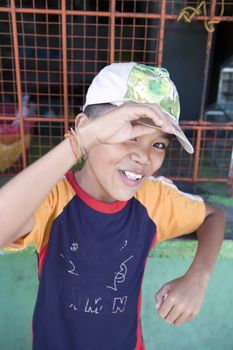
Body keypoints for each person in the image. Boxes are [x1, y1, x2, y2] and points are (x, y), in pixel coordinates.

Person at [0, 62, 225, 350]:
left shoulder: (153, 200)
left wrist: (198, 276)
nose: (144, 156)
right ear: (86, 130)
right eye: (127, 134)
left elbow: (214, 215)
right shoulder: (53, 199)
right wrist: (81, 141)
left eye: (159, 144)